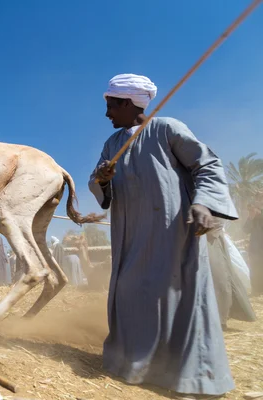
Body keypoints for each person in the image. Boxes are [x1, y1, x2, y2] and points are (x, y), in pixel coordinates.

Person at [88, 73, 239, 397]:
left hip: (172, 232)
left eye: (111, 105)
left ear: (128, 103)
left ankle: (191, 379)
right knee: (129, 294)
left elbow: (208, 166)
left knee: (176, 298)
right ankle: (132, 366)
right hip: (129, 237)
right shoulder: (112, 145)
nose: (107, 113)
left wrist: (203, 204)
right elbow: (99, 185)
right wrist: (102, 178)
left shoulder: (167, 128)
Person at [206, 217, 256, 330]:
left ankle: (221, 319)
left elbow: (215, 224)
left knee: (220, 281)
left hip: (211, 241)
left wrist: (197, 232)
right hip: (204, 241)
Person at [244, 199, 263, 295]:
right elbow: (245, 230)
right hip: (255, 248)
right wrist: (251, 217)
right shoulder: (253, 217)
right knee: (255, 269)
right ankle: (256, 290)